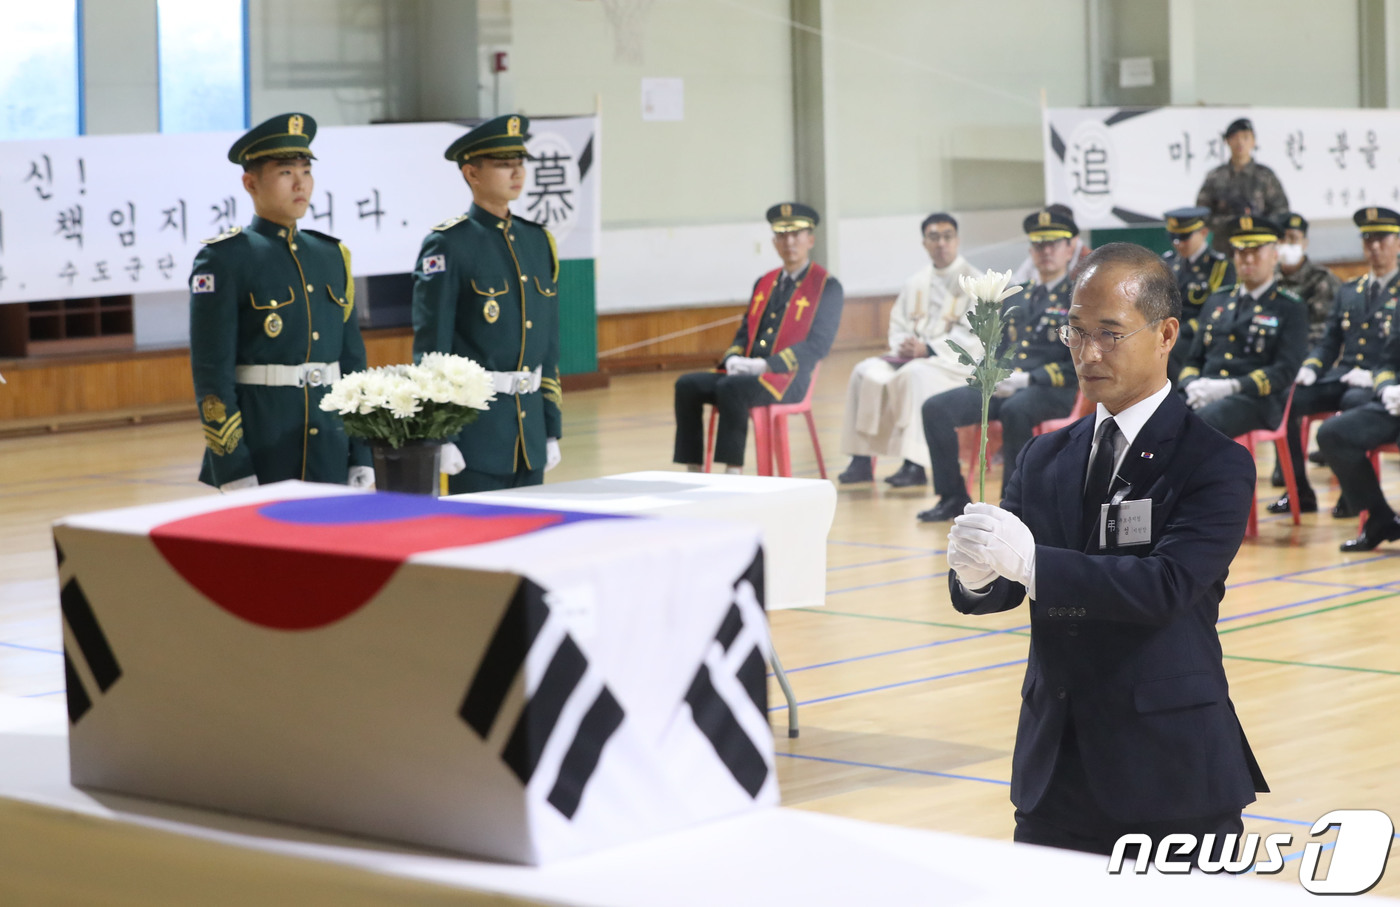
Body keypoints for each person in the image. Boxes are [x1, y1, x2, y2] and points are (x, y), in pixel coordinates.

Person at [945, 242, 1267, 857]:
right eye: (1076, 332)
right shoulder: (1045, 456)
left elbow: (1166, 586)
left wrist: (1036, 565)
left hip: (1167, 771)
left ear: (1166, 333)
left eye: (1111, 334)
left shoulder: (1214, 463)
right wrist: (976, 573)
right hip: (1055, 769)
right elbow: (1004, 590)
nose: (1088, 353)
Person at [189, 112, 372, 491]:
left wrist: (362, 451)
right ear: (250, 182)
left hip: (330, 444)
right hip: (264, 446)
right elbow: (211, 373)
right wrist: (232, 462)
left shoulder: (331, 256)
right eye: (286, 172)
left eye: (306, 171)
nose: (300, 183)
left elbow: (353, 363)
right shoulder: (225, 258)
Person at [412, 114, 563, 494]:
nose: (516, 172)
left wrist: (550, 426)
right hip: (478, 433)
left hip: (529, 434)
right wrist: (441, 432)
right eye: (502, 164)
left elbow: (547, 345)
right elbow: (433, 348)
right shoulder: (449, 244)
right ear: (472, 174)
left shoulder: (537, 241)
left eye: (519, 163)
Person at [916, 208, 1079, 522]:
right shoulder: (1018, 296)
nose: (1046, 252)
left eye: (1054, 244)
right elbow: (998, 349)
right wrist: (993, 375)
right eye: (1039, 245)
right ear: (1030, 250)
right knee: (935, 408)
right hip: (1006, 386)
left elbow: (1077, 361)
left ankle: (1012, 505)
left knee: (1017, 408)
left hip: (1053, 389)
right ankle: (952, 496)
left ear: (1069, 248)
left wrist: (1028, 379)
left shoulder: (1076, 297)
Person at [673, 203, 843, 473]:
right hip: (748, 373)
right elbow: (745, 332)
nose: (789, 242)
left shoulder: (826, 287)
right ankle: (693, 470)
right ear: (774, 242)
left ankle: (733, 472)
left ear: (810, 239)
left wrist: (767, 365)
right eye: (782, 236)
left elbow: (818, 346)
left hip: (789, 379)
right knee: (687, 385)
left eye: (796, 235)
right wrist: (733, 359)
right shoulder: (765, 282)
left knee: (731, 389)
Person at [837, 213, 982, 487]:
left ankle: (914, 464)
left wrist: (927, 349)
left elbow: (973, 337)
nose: (941, 243)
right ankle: (860, 459)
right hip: (912, 357)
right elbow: (898, 324)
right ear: (924, 243)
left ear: (957, 240)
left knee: (915, 375)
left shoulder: (975, 282)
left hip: (952, 365)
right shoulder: (916, 282)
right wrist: (903, 345)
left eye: (947, 236)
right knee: (863, 371)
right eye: (934, 237)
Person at [1269, 207, 1397, 516]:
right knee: (1287, 398)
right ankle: (1298, 489)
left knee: (1354, 400)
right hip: (1344, 373)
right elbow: (1330, 342)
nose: (1374, 247)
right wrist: (1311, 367)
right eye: (1368, 240)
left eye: (1382, 239)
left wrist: (1377, 378)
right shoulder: (1350, 290)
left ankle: (1351, 496)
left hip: (1381, 383)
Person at [1177, 215, 1308, 439]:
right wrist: (1191, 384)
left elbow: (1285, 370)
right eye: (1240, 252)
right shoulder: (1217, 300)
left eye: (1256, 252)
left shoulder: (1289, 307)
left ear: (1274, 256)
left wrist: (1232, 386)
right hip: (1207, 391)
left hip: (1257, 400)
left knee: (1202, 423)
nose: (1247, 260)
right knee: (1158, 418)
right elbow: (1193, 359)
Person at [1159, 205, 1234, 383]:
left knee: (1173, 351)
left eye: (1184, 237)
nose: (1178, 243)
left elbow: (1220, 309)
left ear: (1203, 232)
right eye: (1174, 237)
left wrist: (1182, 330)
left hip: (1198, 333)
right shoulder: (1167, 262)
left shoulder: (1219, 267)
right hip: (1168, 329)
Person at [1196, 118, 1289, 254]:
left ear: (1253, 142)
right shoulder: (1215, 176)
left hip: (1259, 250)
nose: (1240, 142)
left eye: (1245, 137)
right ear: (1227, 141)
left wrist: (1256, 222)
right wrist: (1233, 221)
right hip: (1224, 249)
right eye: (1235, 138)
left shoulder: (1265, 176)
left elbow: (1281, 211)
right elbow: (1202, 214)